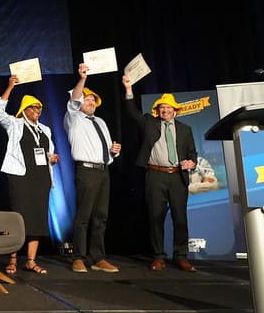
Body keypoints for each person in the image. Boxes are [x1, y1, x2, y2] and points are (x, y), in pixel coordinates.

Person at [122, 76, 198, 272]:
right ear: (157, 110)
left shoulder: (185, 129)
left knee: (180, 218)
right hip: (155, 176)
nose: (165, 110)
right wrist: (128, 89)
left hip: (177, 177)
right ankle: (158, 256)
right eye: (161, 107)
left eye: (168, 107)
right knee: (156, 217)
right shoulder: (149, 122)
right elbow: (132, 112)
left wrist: (192, 162)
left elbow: (192, 153)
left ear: (175, 110)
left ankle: (181, 256)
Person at [0, 75, 59, 275]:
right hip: (21, 178)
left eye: (39, 108)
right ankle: (13, 260)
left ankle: (31, 261)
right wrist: (10, 87)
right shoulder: (15, 124)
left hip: (41, 178)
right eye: (32, 108)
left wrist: (52, 158)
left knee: (38, 219)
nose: (36, 111)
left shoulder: (45, 129)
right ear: (24, 110)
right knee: (19, 219)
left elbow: (44, 152)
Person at [63, 64, 121, 274]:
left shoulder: (101, 122)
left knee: (101, 216)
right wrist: (83, 78)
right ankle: (78, 257)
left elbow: (105, 150)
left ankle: (97, 257)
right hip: (86, 171)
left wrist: (114, 151)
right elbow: (75, 98)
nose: (91, 102)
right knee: (84, 216)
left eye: (93, 100)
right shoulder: (74, 118)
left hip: (103, 171)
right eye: (87, 99)